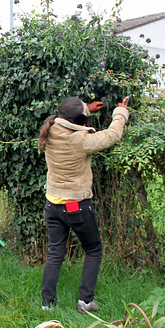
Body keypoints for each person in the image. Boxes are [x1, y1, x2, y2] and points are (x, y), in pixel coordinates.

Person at [37, 97, 129, 313]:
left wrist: (87, 108)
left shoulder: (50, 129)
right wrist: (120, 112)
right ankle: (85, 302)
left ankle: (47, 304)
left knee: (55, 252)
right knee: (94, 250)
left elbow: (68, 117)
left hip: (52, 203)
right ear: (79, 120)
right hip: (75, 205)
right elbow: (112, 135)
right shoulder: (80, 140)